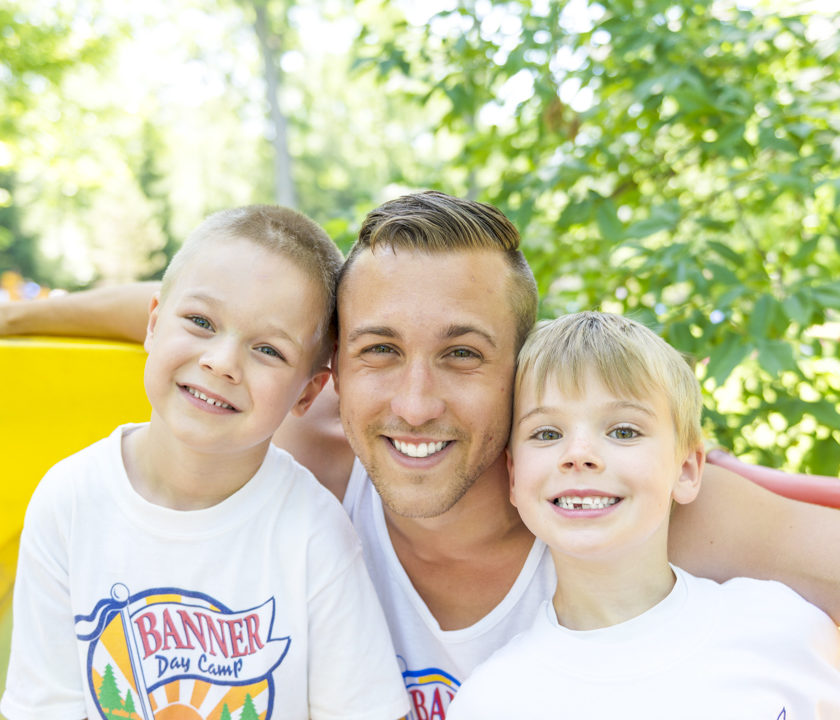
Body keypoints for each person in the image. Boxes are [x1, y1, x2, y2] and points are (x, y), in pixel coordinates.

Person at [3, 192, 840, 720]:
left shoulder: (628, 516)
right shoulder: (310, 450)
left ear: (524, 368)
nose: (413, 403)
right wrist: (28, 315)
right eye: (378, 351)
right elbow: (208, 309)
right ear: (326, 375)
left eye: (464, 354)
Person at [0, 205, 409, 720]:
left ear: (308, 392)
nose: (221, 362)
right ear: (153, 323)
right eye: (200, 322)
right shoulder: (69, 501)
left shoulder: (314, 533)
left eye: (267, 349)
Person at [445, 311, 840, 718]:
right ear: (513, 476)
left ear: (686, 470)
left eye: (623, 431)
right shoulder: (494, 702)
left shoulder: (784, 627)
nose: (579, 454)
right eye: (547, 433)